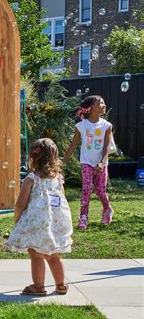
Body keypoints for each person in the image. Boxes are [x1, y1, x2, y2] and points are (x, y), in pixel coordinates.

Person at [6, 138, 73, 296]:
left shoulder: (31, 179)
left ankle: (38, 286)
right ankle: (61, 285)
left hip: (37, 224)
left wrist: (17, 217)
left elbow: (21, 203)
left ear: (32, 158)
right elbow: (62, 199)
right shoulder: (57, 179)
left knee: (36, 254)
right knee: (54, 255)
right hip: (56, 223)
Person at [63, 95, 113, 230]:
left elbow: (106, 146)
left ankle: (107, 209)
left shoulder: (106, 126)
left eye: (103, 102)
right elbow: (73, 145)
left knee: (101, 191)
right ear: (90, 108)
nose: (103, 105)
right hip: (86, 162)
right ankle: (83, 216)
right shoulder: (80, 126)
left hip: (101, 163)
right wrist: (63, 162)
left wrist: (102, 163)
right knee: (86, 189)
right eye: (100, 103)